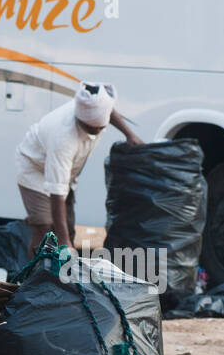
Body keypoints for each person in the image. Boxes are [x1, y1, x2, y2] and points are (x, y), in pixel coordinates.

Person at [17, 82, 144, 251]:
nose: (98, 130)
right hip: (34, 169)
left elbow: (109, 110)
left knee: (67, 228)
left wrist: (129, 134)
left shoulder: (95, 105)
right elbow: (57, 193)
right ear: (81, 120)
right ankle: (35, 275)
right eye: (93, 128)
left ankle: (61, 273)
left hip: (66, 173)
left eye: (101, 127)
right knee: (45, 227)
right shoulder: (63, 138)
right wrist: (64, 242)